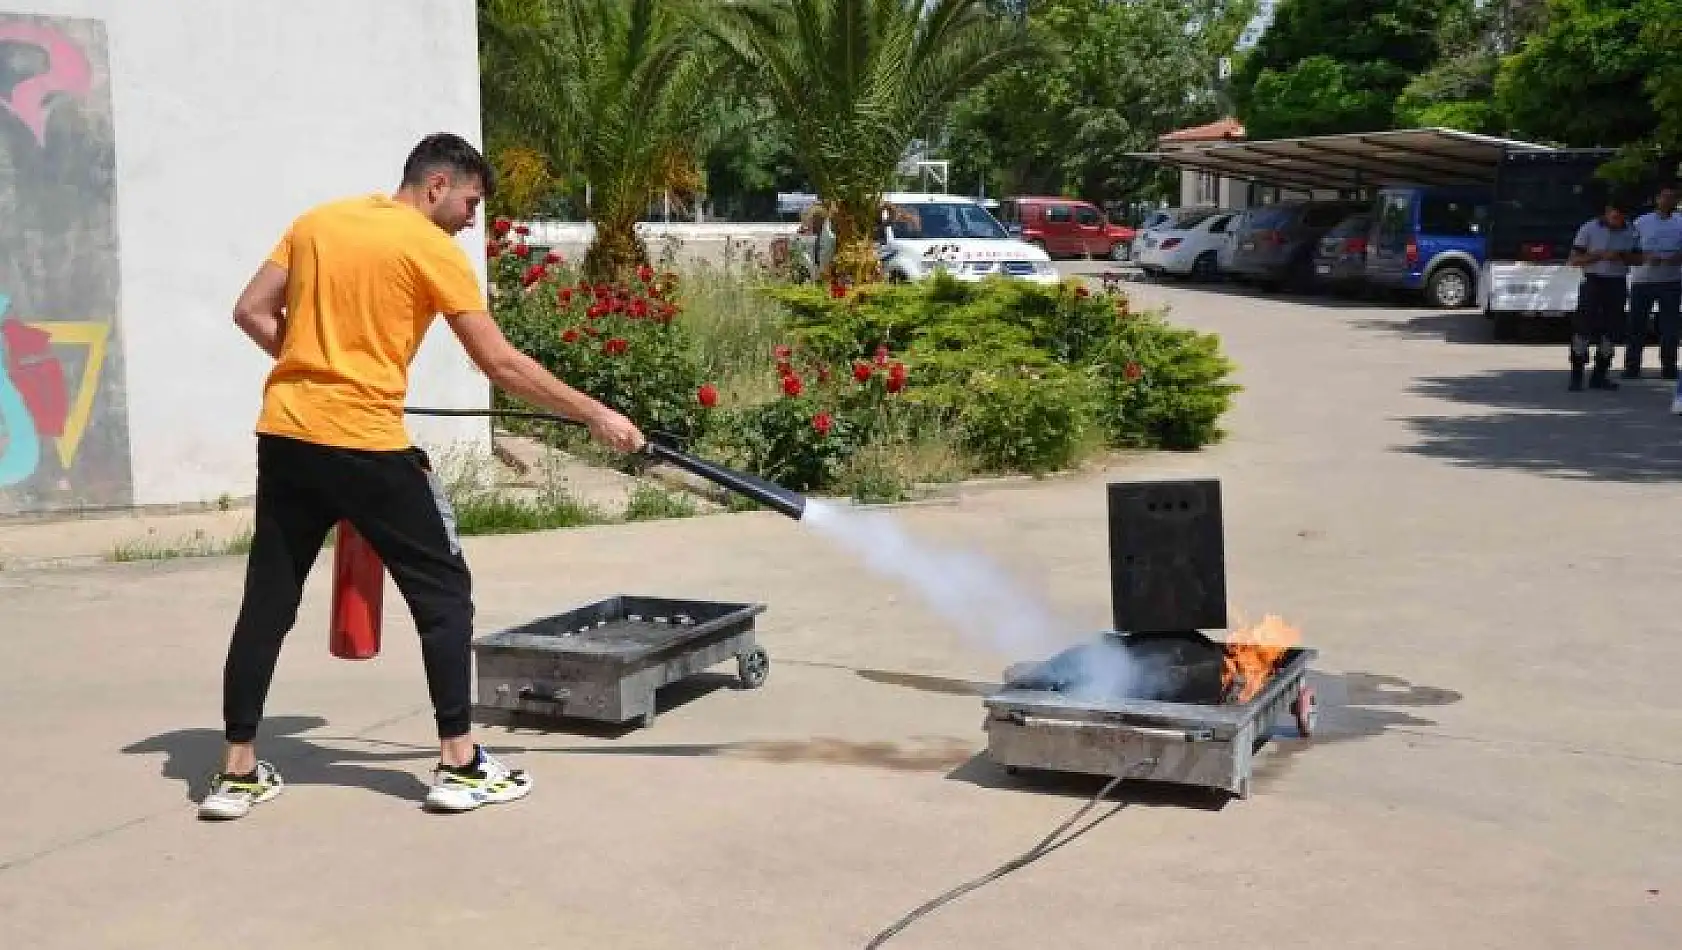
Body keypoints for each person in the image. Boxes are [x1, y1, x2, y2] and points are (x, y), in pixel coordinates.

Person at [199, 133, 646, 820]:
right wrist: (594, 414)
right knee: (443, 592)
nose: (473, 220)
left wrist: (320, 366)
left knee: (269, 600)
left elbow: (251, 311)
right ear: (436, 185)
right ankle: (460, 762)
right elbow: (499, 363)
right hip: (363, 444)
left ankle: (236, 771)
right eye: (470, 203)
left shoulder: (318, 222)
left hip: (286, 433)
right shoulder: (431, 249)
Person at [1566, 198, 1640, 392]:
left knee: (1612, 331)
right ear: (1607, 212)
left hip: (1616, 282)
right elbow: (1573, 260)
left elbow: (1639, 259)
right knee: (1582, 329)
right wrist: (1598, 256)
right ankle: (1577, 374)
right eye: (1614, 216)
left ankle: (1600, 375)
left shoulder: (1631, 230)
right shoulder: (1589, 228)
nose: (1617, 221)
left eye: (1621, 218)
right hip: (1594, 281)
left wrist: (1623, 256)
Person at [1623, 184, 1682, 382]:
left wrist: (1677, 257)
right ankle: (1632, 366)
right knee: (1636, 325)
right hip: (1643, 281)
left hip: (1671, 280)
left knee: (1669, 327)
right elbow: (1628, 249)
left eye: (1672, 197)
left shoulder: (1680, 222)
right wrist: (1645, 256)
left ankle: (1669, 366)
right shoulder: (1642, 222)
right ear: (1657, 199)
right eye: (1665, 197)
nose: (1668, 201)